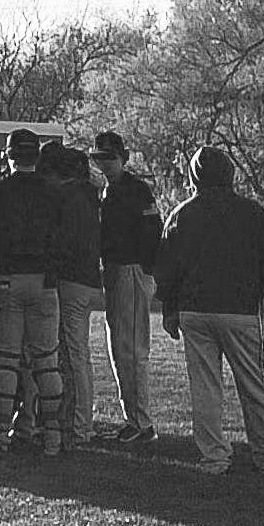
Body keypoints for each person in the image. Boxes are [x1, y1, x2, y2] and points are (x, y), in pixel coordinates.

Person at [155, 145, 264, 474]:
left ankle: (214, 457)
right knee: (252, 383)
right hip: (240, 309)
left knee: (204, 387)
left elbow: (167, 267)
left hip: (195, 310)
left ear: (195, 177)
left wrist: (170, 309)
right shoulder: (252, 213)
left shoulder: (181, 214)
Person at [0, 128, 66, 456]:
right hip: (46, 282)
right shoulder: (54, 193)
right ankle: (53, 435)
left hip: (8, 279)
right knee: (46, 361)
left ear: (9, 156)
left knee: (7, 360)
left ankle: (1, 434)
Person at [90, 130, 162, 444]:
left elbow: (152, 232)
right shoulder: (108, 190)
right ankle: (132, 418)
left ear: (123, 158)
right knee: (120, 349)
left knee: (131, 350)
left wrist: (145, 269)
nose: (105, 164)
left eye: (110, 158)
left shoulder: (135, 189)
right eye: (100, 159)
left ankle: (141, 422)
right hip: (118, 270)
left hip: (132, 269)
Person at [40, 144, 102, 447]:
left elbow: (64, 243)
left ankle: (80, 425)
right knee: (79, 355)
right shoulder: (90, 195)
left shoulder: (67, 197)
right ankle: (82, 423)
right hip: (89, 279)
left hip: (72, 280)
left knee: (74, 355)